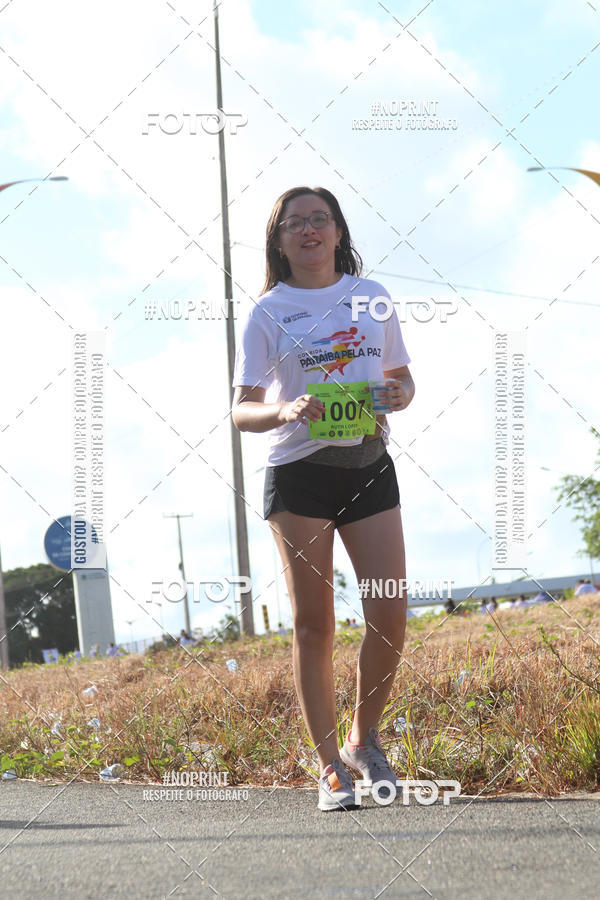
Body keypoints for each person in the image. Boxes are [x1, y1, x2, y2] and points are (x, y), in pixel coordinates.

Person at [232, 186, 415, 812]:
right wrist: (284, 408)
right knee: (316, 626)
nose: (309, 230)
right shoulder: (267, 311)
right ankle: (329, 766)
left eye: (320, 220)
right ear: (279, 242)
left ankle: (366, 741)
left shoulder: (373, 298)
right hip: (300, 475)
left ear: (338, 231)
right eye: (294, 224)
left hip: (368, 464)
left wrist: (397, 397)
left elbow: (402, 380)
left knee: (390, 614)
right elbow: (240, 409)